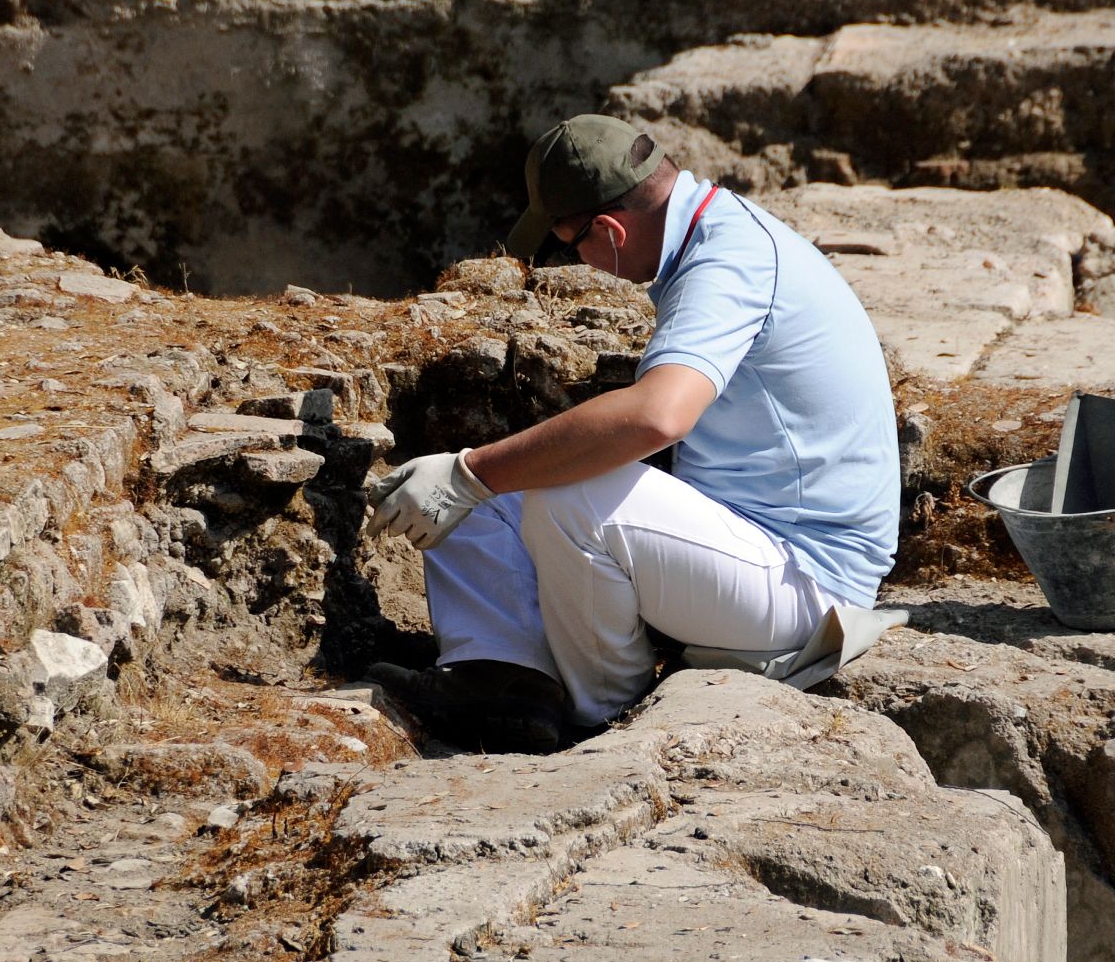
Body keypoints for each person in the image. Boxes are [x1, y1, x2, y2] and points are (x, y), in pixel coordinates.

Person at [364, 114, 899, 752]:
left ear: (610, 231)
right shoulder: (714, 235)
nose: (575, 261)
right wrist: (472, 473)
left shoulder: (728, 262)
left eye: (569, 244)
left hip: (809, 584)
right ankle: (505, 682)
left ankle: (603, 715)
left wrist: (471, 473)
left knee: (561, 494)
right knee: (505, 475)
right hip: (754, 546)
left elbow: (657, 416)